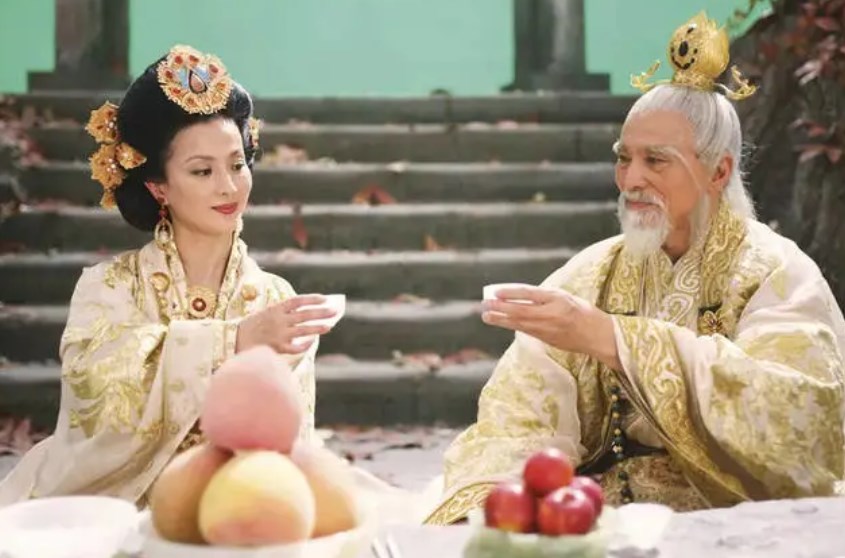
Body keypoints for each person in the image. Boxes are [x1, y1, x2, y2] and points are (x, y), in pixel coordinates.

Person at [426, 12, 845, 525]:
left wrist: (611, 338)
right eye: (624, 158)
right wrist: (500, 500)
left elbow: (797, 418)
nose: (631, 180)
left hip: (731, 520)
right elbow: (518, 414)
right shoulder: (591, 272)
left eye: (656, 161)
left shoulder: (777, 272)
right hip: (595, 515)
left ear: (718, 171)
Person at [0, 45, 341, 507]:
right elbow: (98, 400)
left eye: (237, 164)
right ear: (158, 186)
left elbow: (287, 447)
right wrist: (232, 343)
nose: (228, 186)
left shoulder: (275, 300)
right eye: (202, 170)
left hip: (233, 513)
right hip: (114, 513)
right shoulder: (110, 288)